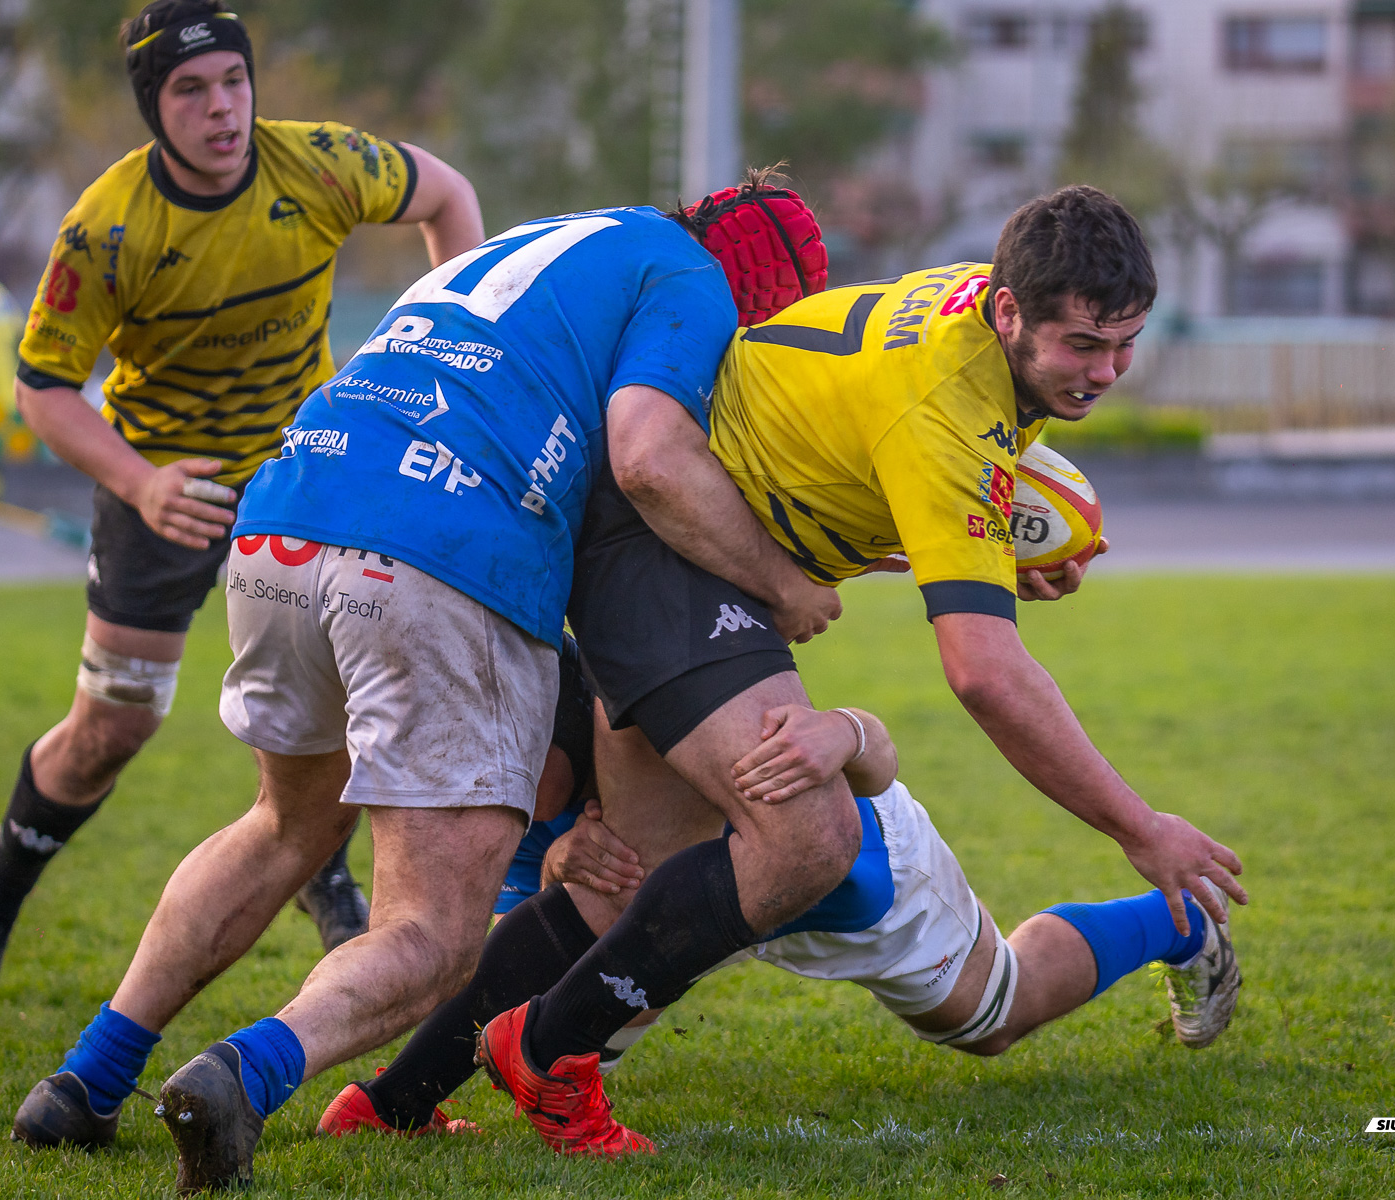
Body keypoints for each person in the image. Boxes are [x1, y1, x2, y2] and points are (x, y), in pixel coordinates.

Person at [7, 177, 838, 1195]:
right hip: (435, 552)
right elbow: (652, 456)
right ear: (766, 290)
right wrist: (780, 584)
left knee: (282, 825)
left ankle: (86, 1082)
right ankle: (244, 1074)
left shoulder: (553, 241)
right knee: (434, 936)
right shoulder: (698, 282)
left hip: (286, 521)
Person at [466, 185, 1249, 1157]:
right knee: (596, 951)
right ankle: (434, 1089)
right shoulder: (945, 403)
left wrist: (969, 556)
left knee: (988, 1009)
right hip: (740, 812)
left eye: (1124, 344)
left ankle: (1178, 923)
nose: (1108, 372)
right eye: (1086, 346)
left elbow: (955, 641)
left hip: (798, 832)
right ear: (1006, 308)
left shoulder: (976, 345)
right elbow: (971, 648)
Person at [0, 0, 484, 1005]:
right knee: (113, 727)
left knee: (349, 690)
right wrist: (140, 484)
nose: (221, 107)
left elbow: (447, 194)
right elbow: (43, 389)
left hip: (299, 474)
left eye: (233, 79)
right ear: (154, 106)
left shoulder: (317, 162)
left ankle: (329, 878)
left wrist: (452, 341)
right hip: (163, 488)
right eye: (190, 90)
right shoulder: (106, 227)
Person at [322, 702, 1241, 1139]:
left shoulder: (632, 712)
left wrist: (844, 730)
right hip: (686, 911)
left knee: (991, 1014)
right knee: (563, 1022)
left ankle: (1181, 924)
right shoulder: (510, 800)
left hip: (848, 873)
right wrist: (558, 860)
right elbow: (519, 959)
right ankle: (392, 1107)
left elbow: (870, 754)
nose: (497, 795)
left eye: (513, 776)